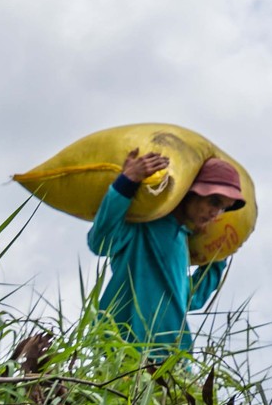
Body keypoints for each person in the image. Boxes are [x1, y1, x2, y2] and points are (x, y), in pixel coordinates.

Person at [87, 147, 238, 358]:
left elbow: (189, 298)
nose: (216, 213)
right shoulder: (143, 226)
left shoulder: (181, 241)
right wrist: (127, 181)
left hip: (172, 360)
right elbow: (99, 241)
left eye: (223, 208)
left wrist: (218, 255)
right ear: (191, 191)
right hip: (125, 351)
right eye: (213, 201)